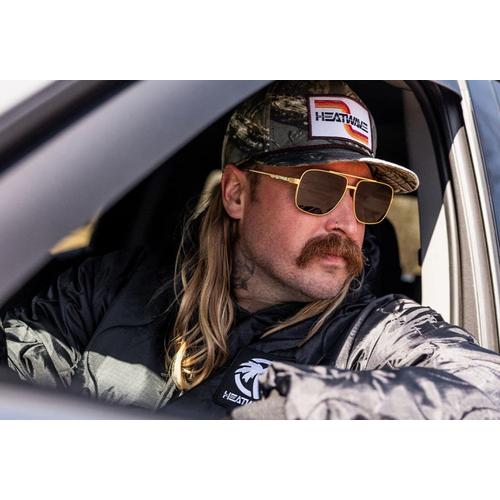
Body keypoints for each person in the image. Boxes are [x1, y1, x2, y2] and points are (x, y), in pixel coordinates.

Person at [1, 80, 500, 419]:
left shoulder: (375, 334)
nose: (348, 222)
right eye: (319, 189)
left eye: (367, 196)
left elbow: (485, 392)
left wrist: (300, 408)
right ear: (237, 194)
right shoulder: (110, 286)